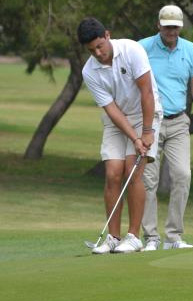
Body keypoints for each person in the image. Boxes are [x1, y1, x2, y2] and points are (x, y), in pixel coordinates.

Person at [77, 17, 163, 254]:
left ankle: (134, 237)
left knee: (132, 172)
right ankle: (113, 237)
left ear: (107, 35)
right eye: (91, 50)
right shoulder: (89, 71)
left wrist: (145, 132)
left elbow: (147, 92)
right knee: (113, 173)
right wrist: (133, 138)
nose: (98, 53)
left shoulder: (131, 50)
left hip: (145, 113)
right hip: (117, 120)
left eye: (99, 46)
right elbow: (112, 110)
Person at [139, 5, 193, 250]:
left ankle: (173, 237)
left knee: (183, 175)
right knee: (148, 180)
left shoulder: (191, 50)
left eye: (175, 27)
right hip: (150, 124)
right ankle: (151, 237)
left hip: (179, 122)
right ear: (158, 25)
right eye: (167, 26)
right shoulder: (142, 47)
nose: (171, 31)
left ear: (180, 26)